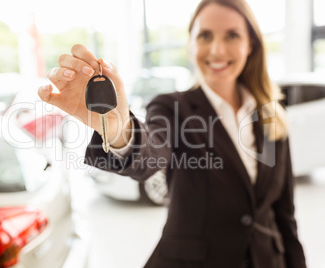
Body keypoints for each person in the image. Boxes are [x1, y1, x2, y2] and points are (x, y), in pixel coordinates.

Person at [38, 0, 307, 267]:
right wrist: (119, 129)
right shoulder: (173, 108)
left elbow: (285, 214)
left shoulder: (271, 113)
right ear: (190, 45)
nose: (216, 49)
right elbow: (151, 152)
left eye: (232, 35)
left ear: (251, 45)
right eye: (205, 36)